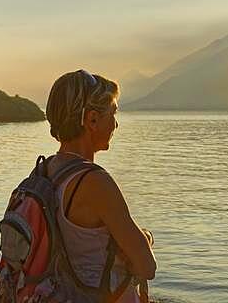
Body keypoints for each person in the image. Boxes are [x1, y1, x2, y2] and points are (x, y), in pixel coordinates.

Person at [44, 69, 156, 302]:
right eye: (112, 113)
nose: (115, 124)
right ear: (92, 120)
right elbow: (147, 267)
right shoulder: (95, 182)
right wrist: (143, 238)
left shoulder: (44, 172)